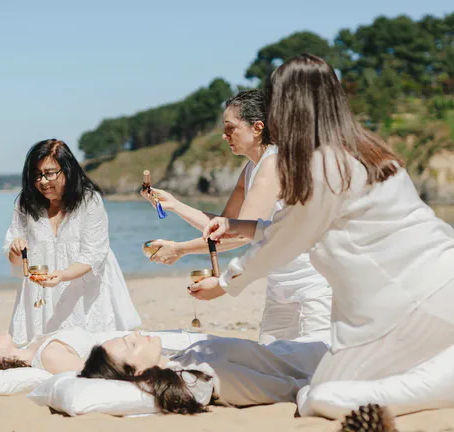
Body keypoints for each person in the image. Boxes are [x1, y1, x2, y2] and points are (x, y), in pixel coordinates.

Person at [189, 54, 454, 397]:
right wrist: (237, 228)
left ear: (292, 107)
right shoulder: (367, 150)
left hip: (422, 304)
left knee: (318, 396)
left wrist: (227, 283)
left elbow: (285, 241)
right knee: (314, 373)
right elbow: (295, 228)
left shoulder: (323, 165)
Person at [141, 90, 331, 344]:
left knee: (315, 370)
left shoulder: (274, 164)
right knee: (272, 367)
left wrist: (180, 249)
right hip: (280, 284)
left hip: (313, 285)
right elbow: (225, 223)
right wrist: (175, 205)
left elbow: (239, 234)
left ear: (257, 128)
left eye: (230, 128)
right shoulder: (252, 167)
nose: (224, 135)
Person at [80, 331, 454, 415]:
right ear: (139, 372)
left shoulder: (185, 358)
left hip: (311, 353)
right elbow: (291, 389)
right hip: (320, 367)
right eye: (131, 344)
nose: (137, 334)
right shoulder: (194, 378)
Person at [3, 139, 141, 344]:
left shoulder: (89, 201)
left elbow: (94, 254)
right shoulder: (26, 203)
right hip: (40, 294)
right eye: (37, 175)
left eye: (50, 173)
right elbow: (14, 255)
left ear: (67, 170)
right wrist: (15, 250)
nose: (42, 181)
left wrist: (63, 275)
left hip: (83, 291)